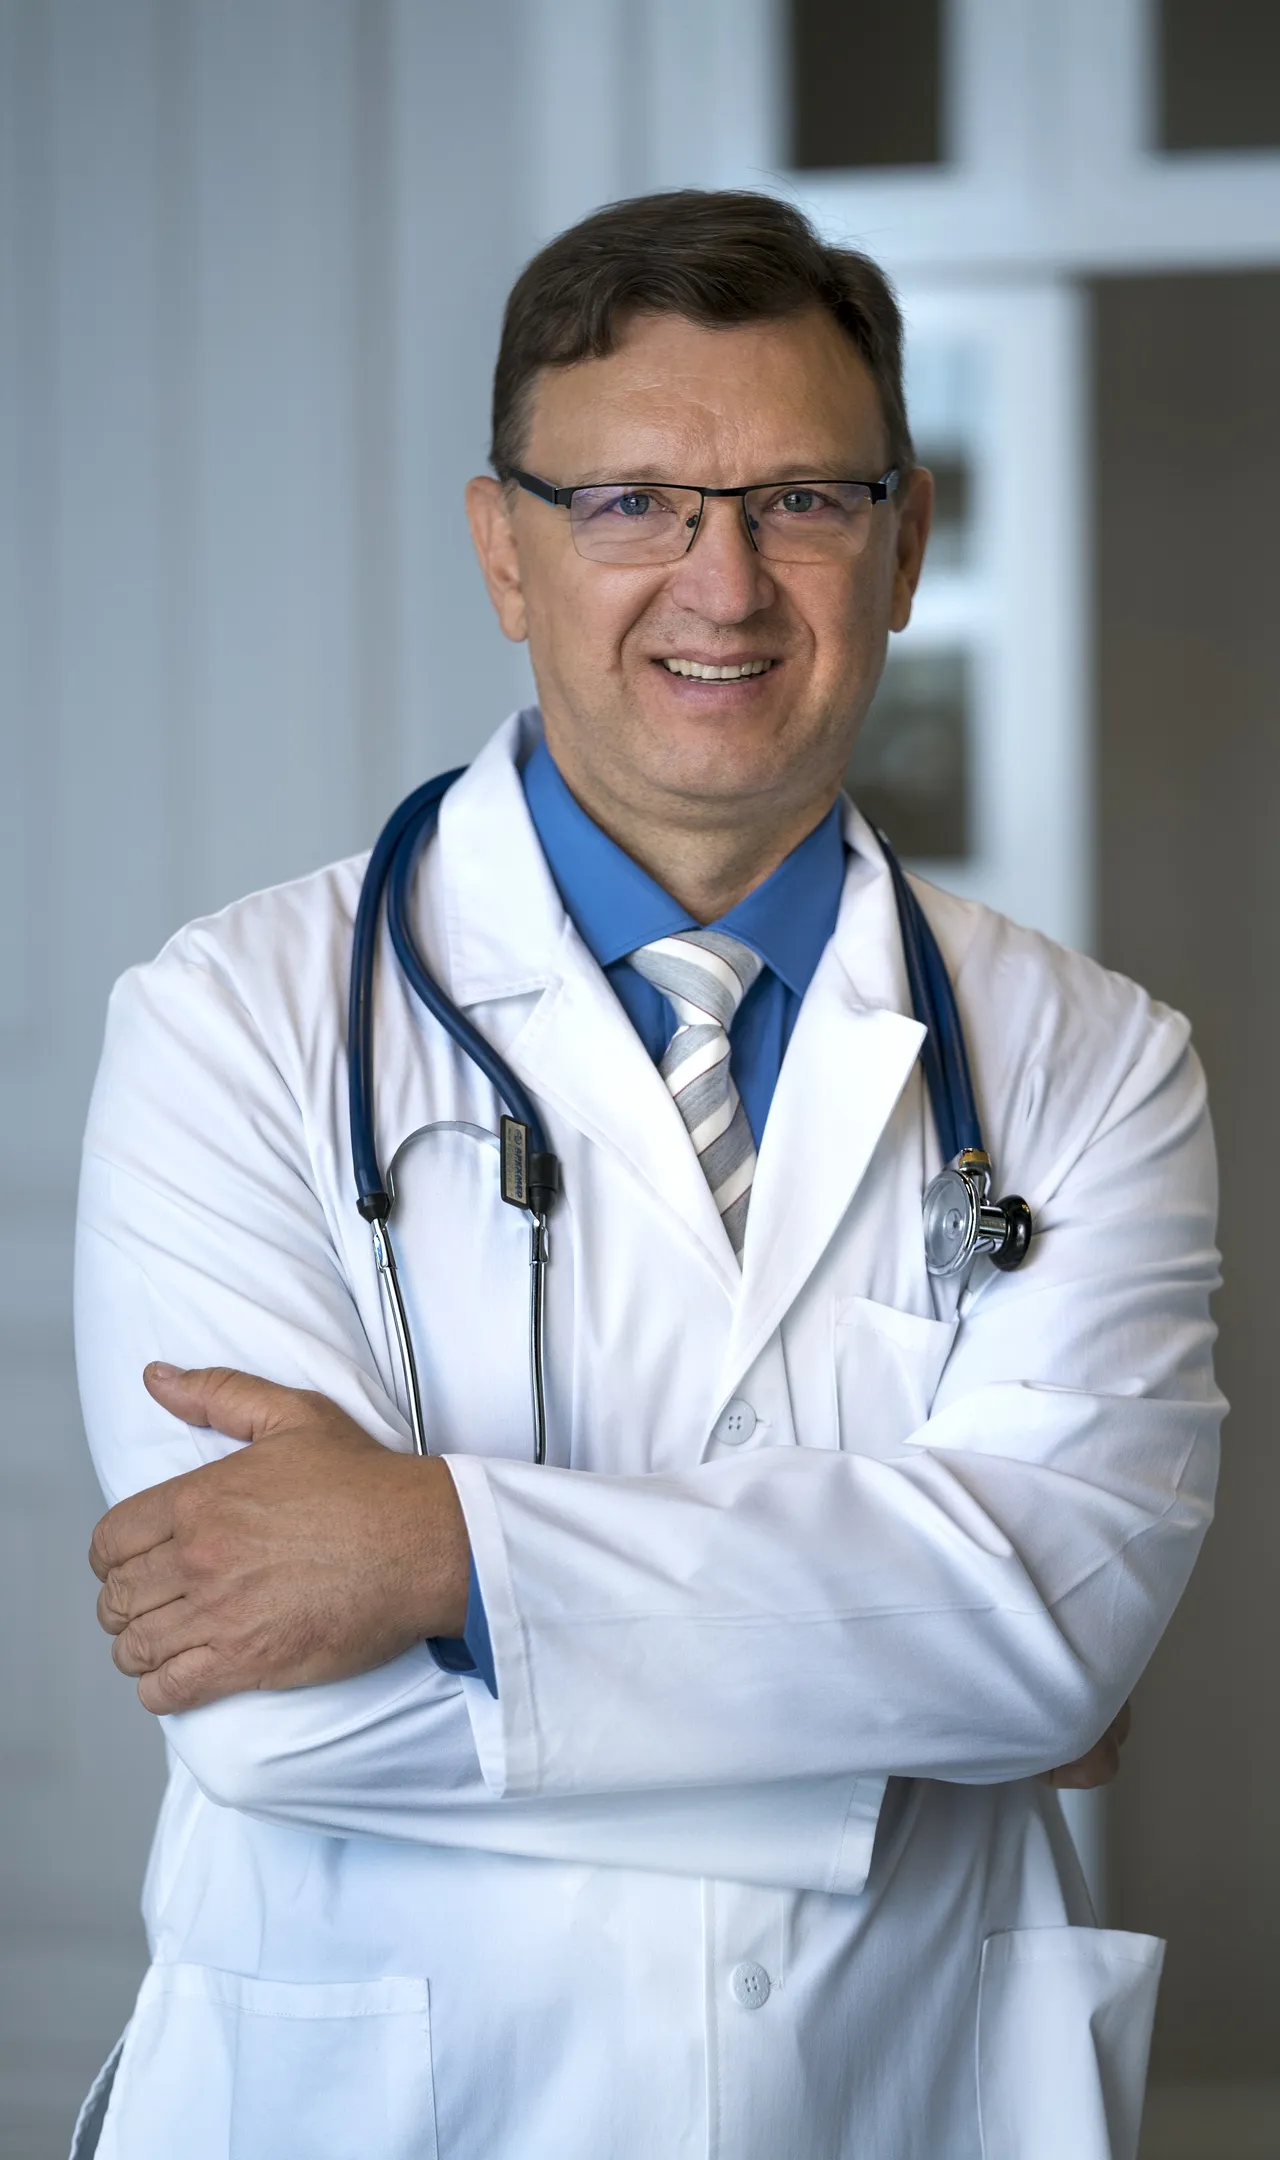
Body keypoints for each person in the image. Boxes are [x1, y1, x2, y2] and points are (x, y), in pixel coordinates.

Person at [74, 190, 1221, 2160]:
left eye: (803, 501)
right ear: (502, 550)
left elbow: (1056, 1631)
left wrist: (439, 1558)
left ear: (905, 545)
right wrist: (921, 1700)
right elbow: (270, 1711)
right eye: (629, 505)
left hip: (886, 2092)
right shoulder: (231, 1023)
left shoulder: (1092, 1059)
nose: (724, 584)